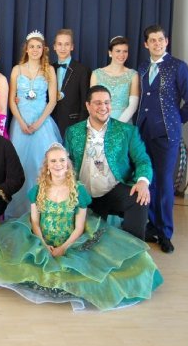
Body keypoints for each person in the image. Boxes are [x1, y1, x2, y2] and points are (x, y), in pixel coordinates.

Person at [0, 143, 163, 311]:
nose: (58, 164)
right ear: (47, 165)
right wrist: (43, 244)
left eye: (62, 160)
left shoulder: (78, 191)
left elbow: (79, 227)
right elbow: (35, 222)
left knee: (98, 270)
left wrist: (63, 248)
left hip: (70, 240)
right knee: (7, 256)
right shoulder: (38, 190)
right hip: (42, 238)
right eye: (53, 161)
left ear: (67, 164)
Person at [137, 24, 188, 253]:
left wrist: (175, 121)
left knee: (164, 183)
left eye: (160, 40)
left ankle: (165, 232)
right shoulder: (143, 67)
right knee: (149, 180)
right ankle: (152, 225)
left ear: (167, 41)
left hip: (166, 135)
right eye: (152, 40)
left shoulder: (178, 67)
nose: (157, 43)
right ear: (146, 44)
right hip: (143, 132)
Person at [64, 85, 152, 240]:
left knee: (140, 199)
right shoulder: (73, 131)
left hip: (113, 190)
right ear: (88, 106)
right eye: (98, 103)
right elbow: (66, 163)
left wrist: (143, 181)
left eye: (107, 102)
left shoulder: (126, 131)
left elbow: (142, 160)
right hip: (82, 193)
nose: (103, 107)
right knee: (88, 243)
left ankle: (132, 249)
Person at [5, 31, 62, 219]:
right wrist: (21, 122)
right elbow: (11, 100)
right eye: (32, 47)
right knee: (20, 164)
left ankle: (43, 210)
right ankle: (19, 211)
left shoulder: (49, 70)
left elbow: (52, 101)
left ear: (43, 49)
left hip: (41, 123)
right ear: (26, 49)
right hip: (20, 124)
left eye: (38, 47)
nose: (35, 50)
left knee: (41, 165)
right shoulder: (17, 70)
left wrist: (38, 123)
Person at [50, 29, 90, 137]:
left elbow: (85, 102)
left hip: (73, 123)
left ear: (72, 47)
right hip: (50, 123)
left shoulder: (82, 70)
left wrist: (80, 127)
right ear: (54, 46)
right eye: (59, 44)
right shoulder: (49, 69)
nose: (63, 48)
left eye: (67, 44)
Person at [90, 36, 140, 123]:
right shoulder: (96, 74)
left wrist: (117, 125)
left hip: (124, 123)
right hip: (100, 122)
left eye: (125, 51)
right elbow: (93, 103)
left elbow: (133, 105)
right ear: (110, 53)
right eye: (118, 51)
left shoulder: (133, 75)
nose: (122, 55)